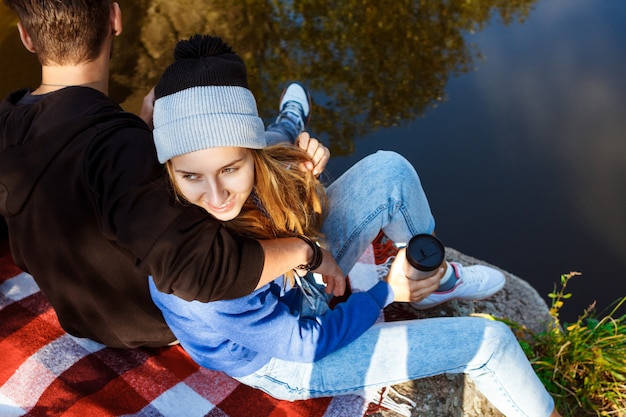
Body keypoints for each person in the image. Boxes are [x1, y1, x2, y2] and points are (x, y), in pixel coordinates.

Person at [148, 34, 561, 417]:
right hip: (285, 357)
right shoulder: (194, 270)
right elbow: (306, 342)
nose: (216, 195)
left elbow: (279, 135)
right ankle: (407, 289)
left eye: (231, 168)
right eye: (191, 177)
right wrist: (384, 292)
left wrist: (297, 131)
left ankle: (430, 277)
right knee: (492, 345)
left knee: (389, 169)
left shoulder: (260, 159)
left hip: (299, 280)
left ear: (251, 153)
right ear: (170, 170)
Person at [0, 0, 353, 349]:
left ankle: (286, 126)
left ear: (27, 37)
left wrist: (141, 126)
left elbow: (80, 176)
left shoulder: (8, 122)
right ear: (115, 17)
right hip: (153, 322)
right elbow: (200, 271)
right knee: (247, 153)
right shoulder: (120, 147)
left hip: (80, 319)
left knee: (236, 151)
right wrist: (305, 251)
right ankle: (288, 126)